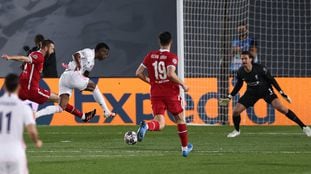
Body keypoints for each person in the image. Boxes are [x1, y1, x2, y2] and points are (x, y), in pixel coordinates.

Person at [219, 51, 311, 138]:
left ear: (250, 59)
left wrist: (282, 93)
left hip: (266, 90)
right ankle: (237, 131)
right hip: (251, 93)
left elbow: (272, 80)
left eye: (245, 59)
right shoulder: (240, 72)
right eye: (242, 59)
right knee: (235, 111)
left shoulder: (260, 68)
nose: (243, 61)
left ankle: (304, 127)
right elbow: (239, 85)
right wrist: (229, 96)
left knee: (281, 108)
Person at [1, 40, 96, 122]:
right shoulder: (39, 56)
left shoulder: (35, 55)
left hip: (21, 90)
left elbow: (26, 65)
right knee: (60, 100)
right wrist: (10, 57)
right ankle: (34, 116)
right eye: (52, 48)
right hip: (31, 91)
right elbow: (24, 58)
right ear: (46, 47)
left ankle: (84, 116)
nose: (53, 50)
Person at [135, 32, 193, 157]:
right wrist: (183, 85)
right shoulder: (171, 57)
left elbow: (138, 72)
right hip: (170, 93)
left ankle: (147, 126)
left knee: (160, 123)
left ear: (159, 42)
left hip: (155, 93)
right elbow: (170, 74)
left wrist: (151, 81)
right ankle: (184, 148)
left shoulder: (150, 55)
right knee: (180, 119)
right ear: (170, 42)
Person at [35, 42, 115, 119]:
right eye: (105, 53)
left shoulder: (92, 63)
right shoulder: (89, 52)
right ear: (101, 50)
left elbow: (85, 74)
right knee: (94, 87)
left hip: (65, 78)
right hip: (72, 75)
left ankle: (36, 115)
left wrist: (83, 83)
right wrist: (79, 66)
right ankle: (106, 111)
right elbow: (76, 55)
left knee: (61, 107)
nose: (106, 56)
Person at [0, 73, 42, 174]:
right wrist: (37, 141)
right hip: (16, 151)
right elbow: (32, 131)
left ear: (4, 86)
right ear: (19, 86)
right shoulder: (23, 107)